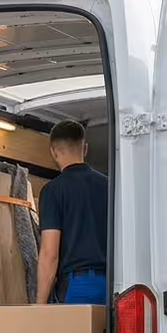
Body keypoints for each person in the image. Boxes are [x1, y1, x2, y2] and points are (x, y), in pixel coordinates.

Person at [35, 120, 109, 305]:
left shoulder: (53, 191)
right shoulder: (109, 186)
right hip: (113, 283)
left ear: (53, 151)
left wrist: (40, 304)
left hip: (77, 285)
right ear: (85, 148)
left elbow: (49, 253)